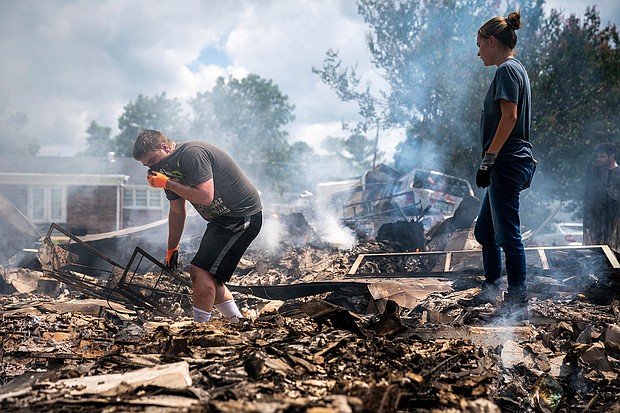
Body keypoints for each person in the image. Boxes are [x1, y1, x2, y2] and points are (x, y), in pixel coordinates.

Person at [132, 129, 262, 324]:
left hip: (241, 215)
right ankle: (239, 323)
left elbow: (205, 197)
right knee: (209, 278)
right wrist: (171, 248)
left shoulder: (192, 153)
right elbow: (177, 212)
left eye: (151, 161)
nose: (151, 168)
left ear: (165, 148)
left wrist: (167, 183)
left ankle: (199, 328)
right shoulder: (167, 172)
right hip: (221, 220)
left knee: (199, 271)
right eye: (146, 165)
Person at [468, 11, 536, 319]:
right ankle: (492, 286)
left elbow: (509, 119)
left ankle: (518, 296)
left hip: (506, 162)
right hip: (508, 162)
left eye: (480, 43)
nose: (478, 51)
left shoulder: (507, 70)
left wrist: (488, 160)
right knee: (485, 230)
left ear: (492, 41)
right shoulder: (516, 69)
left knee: (508, 233)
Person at [583, 142, 620, 252]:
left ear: (612, 156)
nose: (598, 159)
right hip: (598, 223)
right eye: (598, 156)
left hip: (616, 221)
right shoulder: (597, 174)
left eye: (602, 156)